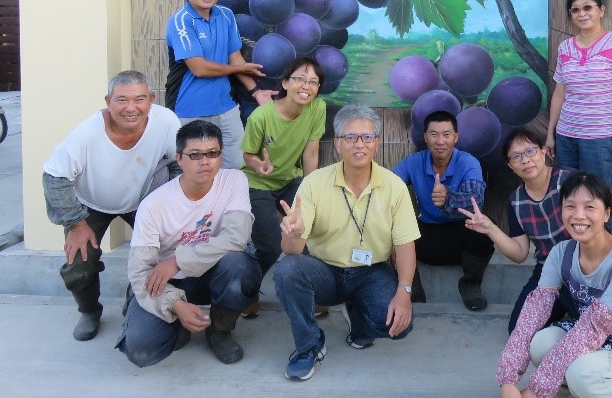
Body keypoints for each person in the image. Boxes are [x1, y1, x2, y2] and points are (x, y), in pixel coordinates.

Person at [273, 104, 418, 381]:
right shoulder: (314, 183)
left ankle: (360, 320)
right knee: (287, 269)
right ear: (337, 143)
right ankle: (309, 345)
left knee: (397, 327)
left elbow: (405, 245)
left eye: (367, 137)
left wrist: (404, 291)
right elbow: (291, 251)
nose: (359, 144)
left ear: (377, 142)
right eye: (350, 137)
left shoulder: (394, 185)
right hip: (325, 270)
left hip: (372, 272)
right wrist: (292, 234)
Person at [497, 172, 612, 398]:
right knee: (540, 343)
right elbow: (532, 316)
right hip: (602, 346)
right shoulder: (561, 253)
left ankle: (603, 386)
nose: (578, 216)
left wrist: (534, 392)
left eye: (590, 207)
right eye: (570, 206)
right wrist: (508, 381)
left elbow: (591, 330)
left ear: (607, 214)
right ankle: (594, 386)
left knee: (581, 373)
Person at [42, 70, 181, 342]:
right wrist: (76, 224)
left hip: (142, 200)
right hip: (89, 206)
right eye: (122, 100)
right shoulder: (86, 134)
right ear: (108, 101)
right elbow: (54, 177)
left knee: (166, 251)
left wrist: (171, 202)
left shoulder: (166, 121)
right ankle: (89, 311)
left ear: (151, 99)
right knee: (79, 265)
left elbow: (180, 160)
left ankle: (137, 300)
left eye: (140, 99)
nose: (131, 108)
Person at [116, 120, 262, 366]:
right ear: (179, 158)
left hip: (208, 272)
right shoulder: (154, 205)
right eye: (195, 155)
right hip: (165, 281)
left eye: (212, 153)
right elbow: (141, 271)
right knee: (142, 350)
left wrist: (178, 260)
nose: (205, 161)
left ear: (221, 155)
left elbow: (236, 238)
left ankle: (219, 330)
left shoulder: (234, 181)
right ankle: (166, 313)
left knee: (241, 267)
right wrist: (175, 304)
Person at [459, 128, 574, 332]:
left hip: (581, 266)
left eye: (530, 151)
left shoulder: (569, 181)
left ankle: (569, 311)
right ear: (510, 165)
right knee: (518, 330)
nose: (526, 160)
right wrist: (490, 229)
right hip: (548, 270)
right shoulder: (516, 201)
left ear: (543, 152)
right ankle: (564, 314)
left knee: (594, 321)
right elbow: (520, 253)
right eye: (516, 156)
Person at [165, 0, 273, 169]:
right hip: (189, 111)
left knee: (236, 166)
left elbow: (235, 58)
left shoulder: (225, 15)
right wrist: (240, 69)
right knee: (191, 173)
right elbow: (199, 68)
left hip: (226, 108)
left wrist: (257, 91)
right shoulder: (181, 22)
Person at [393, 109, 494, 310]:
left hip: (461, 238)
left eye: (446, 134)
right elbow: (389, 187)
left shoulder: (468, 162)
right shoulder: (414, 162)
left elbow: (477, 199)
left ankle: (470, 284)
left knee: (482, 231)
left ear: (455, 138)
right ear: (425, 137)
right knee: (392, 232)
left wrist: (449, 198)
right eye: (434, 134)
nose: (440, 141)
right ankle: (412, 289)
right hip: (426, 237)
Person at [241, 57, 325, 288]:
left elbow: (311, 153)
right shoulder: (261, 117)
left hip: (291, 179)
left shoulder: (318, 108)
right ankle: (250, 291)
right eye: (300, 79)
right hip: (258, 182)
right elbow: (248, 155)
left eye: (313, 82)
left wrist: (311, 193)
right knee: (269, 245)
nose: (306, 87)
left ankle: (314, 291)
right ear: (285, 83)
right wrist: (259, 165)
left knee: (308, 230)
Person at [544, 0, 612, 190]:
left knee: (597, 199)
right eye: (575, 10)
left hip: (601, 139)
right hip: (566, 137)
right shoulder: (565, 47)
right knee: (567, 196)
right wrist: (551, 134)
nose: (582, 13)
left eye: (588, 7)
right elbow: (559, 94)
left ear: (601, 10)